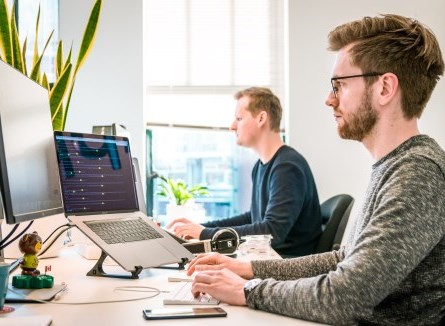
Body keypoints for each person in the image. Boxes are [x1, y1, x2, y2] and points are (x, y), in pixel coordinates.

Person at [185, 14, 445, 325]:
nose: (329, 99)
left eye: (339, 85)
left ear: (385, 88)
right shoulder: (394, 166)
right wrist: (249, 269)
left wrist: (248, 290)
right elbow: (343, 260)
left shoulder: (417, 173)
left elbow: (344, 296)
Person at [168, 87, 322, 257]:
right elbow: (253, 218)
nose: (232, 126)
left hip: (286, 266)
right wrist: (203, 228)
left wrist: (205, 234)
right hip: (268, 259)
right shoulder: (262, 166)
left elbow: (272, 233)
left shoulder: (287, 167)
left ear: (261, 118)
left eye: (239, 118)